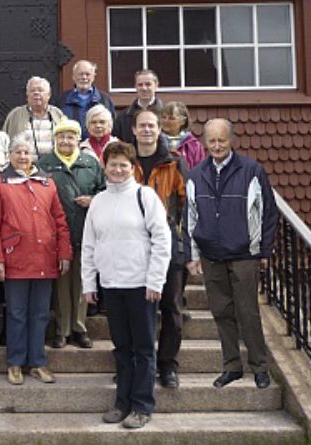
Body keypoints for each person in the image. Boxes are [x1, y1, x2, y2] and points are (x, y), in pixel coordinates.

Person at [81, 141, 171, 429]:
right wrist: (89, 282)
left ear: (132, 168)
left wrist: (155, 280)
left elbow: (162, 240)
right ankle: (122, 403)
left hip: (141, 285)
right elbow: (88, 245)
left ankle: (142, 405)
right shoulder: (98, 201)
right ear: (104, 167)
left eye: (123, 165)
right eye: (112, 164)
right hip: (111, 285)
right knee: (121, 347)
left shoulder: (145, 197)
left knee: (144, 348)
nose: (117, 169)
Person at [184, 118, 279, 390]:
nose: (216, 146)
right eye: (211, 141)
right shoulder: (195, 175)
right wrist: (192, 255)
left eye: (221, 140)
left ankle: (260, 367)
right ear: (205, 143)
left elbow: (267, 212)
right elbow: (189, 218)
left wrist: (264, 250)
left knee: (248, 312)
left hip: (243, 254)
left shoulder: (251, 171)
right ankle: (232, 366)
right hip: (211, 255)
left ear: (231, 140)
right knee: (221, 312)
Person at [0, 132, 72, 386]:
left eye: (27, 152)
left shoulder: (47, 183)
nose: (23, 157)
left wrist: (64, 252)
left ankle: (38, 362)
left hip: (45, 258)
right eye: (18, 152)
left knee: (41, 314)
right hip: (15, 259)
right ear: (10, 155)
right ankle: (15, 362)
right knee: (17, 313)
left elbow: (60, 221)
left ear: (34, 155)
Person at [131, 109, 188, 389]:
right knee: (138, 313)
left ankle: (168, 366)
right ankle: (139, 365)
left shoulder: (174, 163)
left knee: (171, 309)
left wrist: (184, 244)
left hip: (169, 247)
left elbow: (187, 205)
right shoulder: (125, 162)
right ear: (133, 130)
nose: (147, 130)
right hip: (132, 248)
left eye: (152, 126)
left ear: (159, 130)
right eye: (142, 126)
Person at [37, 119, 105, 349]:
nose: (66, 141)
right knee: (62, 283)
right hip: (55, 232)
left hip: (86, 229)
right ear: (55, 139)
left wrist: (93, 200)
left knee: (83, 279)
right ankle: (62, 329)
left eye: (70, 136)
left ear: (78, 139)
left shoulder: (90, 163)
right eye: (61, 137)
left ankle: (79, 327)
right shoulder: (45, 164)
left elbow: (105, 192)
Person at [2, 76, 65, 158]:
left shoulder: (57, 114)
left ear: (49, 95)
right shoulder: (15, 115)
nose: (36, 93)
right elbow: (4, 142)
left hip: (53, 166)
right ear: (27, 95)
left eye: (40, 90)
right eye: (32, 90)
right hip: (24, 165)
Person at [54, 60, 115, 140]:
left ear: (93, 77)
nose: (84, 77)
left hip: (97, 148)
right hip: (70, 147)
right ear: (73, 77)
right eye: (80, 74)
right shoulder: (62, 100)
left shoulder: (104, 100)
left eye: (88, 74)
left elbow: (111, 127)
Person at [112, 69, 163, 145]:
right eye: (140, 85)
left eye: (148, 84)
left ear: (156, 85)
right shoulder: (123, 117)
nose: (144, 88)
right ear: (135, 87)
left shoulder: (165, 115)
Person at [161, 101, 205, 170]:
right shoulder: (155, 142)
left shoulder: (194, 146)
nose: (166, 121)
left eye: (171, 118)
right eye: (164, 117)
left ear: (183, 121)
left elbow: (200, 172)